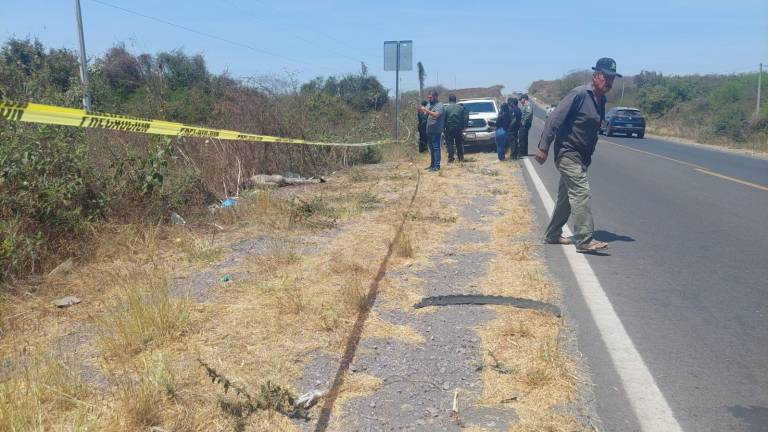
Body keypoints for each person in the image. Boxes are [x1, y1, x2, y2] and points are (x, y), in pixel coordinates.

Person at [535, 57, 620, 253]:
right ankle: (584, 240)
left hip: (581, 158)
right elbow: (554, 118)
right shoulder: (580, 94)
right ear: (596, 76)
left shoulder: (602, 100)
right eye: (606, 77)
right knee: (581, 192)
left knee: (566, 198)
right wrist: (543, 146)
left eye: (612, 79)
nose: (609, 82)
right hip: (567, 153)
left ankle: (553, 234)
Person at [419, 90, 445, 171]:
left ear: (436, 97)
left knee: (436, 147)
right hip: (429, 130)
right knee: (431, 148)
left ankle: (437, 166)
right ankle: (432, 165)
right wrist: (421, 109)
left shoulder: (439, 105)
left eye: (430, 97)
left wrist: (426, 110)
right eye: (428, 97)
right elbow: (425, 113)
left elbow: (436, 115)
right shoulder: (429, 104)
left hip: (436, 130)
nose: (429, 99)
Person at [443, 94, 468, 162]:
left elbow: (443, 119)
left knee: (450, 143)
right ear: (455, 100)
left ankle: (451, 158)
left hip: (449, 128)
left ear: (449, 100)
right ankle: (460, 158)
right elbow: (464, 118)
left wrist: (443, 128)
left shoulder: (446, 108)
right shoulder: (461, 108)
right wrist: (464, 127)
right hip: (458, 128)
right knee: (459, 143)